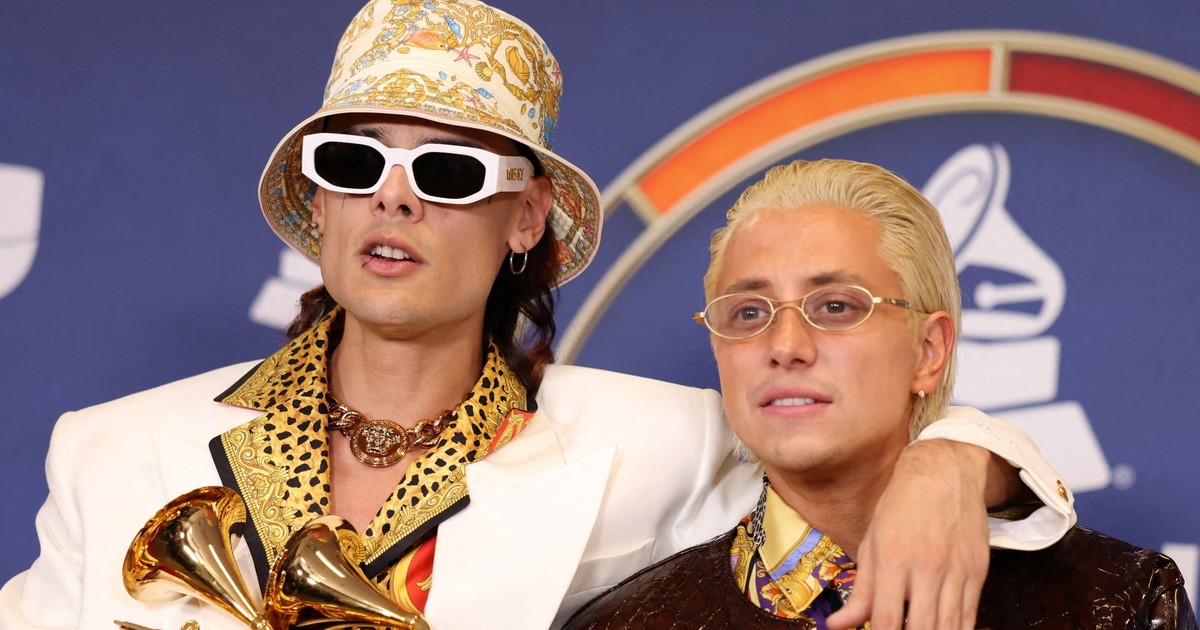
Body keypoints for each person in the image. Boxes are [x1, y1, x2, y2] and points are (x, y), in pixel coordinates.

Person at [0, 2, 1074, 629]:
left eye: (448, 171)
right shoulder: (107, 453)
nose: (395, 200)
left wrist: (953, 464)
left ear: (524, 219)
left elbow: (843, 445)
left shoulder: (660, 443)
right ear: (319, 203)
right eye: (356, 163)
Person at [564, 158, 1197, 629]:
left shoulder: (1118, 602)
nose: (785, 345)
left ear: (929, 350)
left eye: (836, 306)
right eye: (749, 313)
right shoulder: (623, 623)